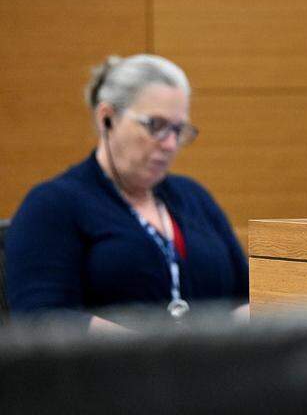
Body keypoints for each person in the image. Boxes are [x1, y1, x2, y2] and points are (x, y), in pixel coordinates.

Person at [6, 54, 248, 330]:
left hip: (212, 368)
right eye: (156, 126)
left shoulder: (194, 197)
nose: (170, 144)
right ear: (106, 119)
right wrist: (153, 352)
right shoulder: (52, 205)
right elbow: (41, 319)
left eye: (178, 130)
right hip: (111, 370)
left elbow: (247, 297)